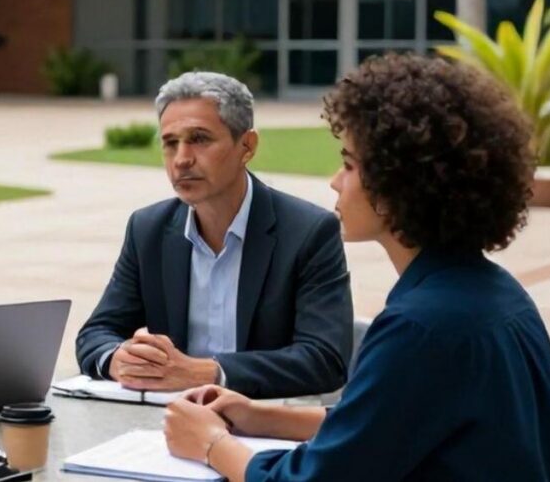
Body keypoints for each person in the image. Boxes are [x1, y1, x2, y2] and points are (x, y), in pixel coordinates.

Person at [164, 53, 550, 481]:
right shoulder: (494, 293)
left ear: (398, 186)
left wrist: (210, 444)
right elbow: (380, 424)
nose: (335, 181)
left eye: (349, 164)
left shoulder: (421, 327)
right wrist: (255, 415)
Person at [76, 71, 353, 399]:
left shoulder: (308, 232)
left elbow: (324, 359)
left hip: (265, 427)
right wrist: (118, 359)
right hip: (165, 423)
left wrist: (209, 372)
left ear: (247, 146)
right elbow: (96, 334)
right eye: (170, 143)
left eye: (200, 139)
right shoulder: (147, 229)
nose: (181, 159)